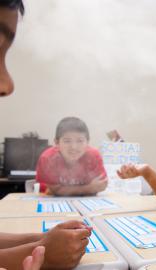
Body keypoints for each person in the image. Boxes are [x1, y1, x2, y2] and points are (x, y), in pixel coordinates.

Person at [0, 1, 92, 269]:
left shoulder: (93, 156)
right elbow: (51, 189)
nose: (8, 85)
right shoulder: (48, 158)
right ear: (55, 144)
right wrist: (42, 252)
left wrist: (42, 238)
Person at [36, 116, 108, 196]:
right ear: (57, 143)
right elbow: (55, 190)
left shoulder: (93, 156)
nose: (74, 147)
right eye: (67, 141)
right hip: (56, 202)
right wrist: (88, 188)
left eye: (80, 141)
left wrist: (67, 190)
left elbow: (101, 185)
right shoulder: (47, 158)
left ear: (87, 142)